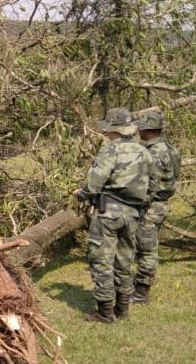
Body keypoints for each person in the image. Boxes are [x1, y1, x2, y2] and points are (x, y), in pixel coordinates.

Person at [72, 108, 156, 323]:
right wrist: (140, 206)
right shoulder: (144, 151)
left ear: (112, 129)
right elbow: (154, 185)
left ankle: (104, 312)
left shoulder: (110, 151)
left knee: (101, 260)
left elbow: (93, 185)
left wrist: (80, 195)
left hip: (108, 211)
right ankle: (122, 309)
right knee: (124, 260)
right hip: (133, 213)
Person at [132, 111, 181, 304]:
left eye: (140, 128)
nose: (138, 131)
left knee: (147, 249)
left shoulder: (154, 152)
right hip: (160, 204)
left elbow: (149, 186)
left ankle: (141, 293)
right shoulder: (169, 148)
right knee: (145, 247)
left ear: (147, 129)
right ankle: (137, 289)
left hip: (151, 206)